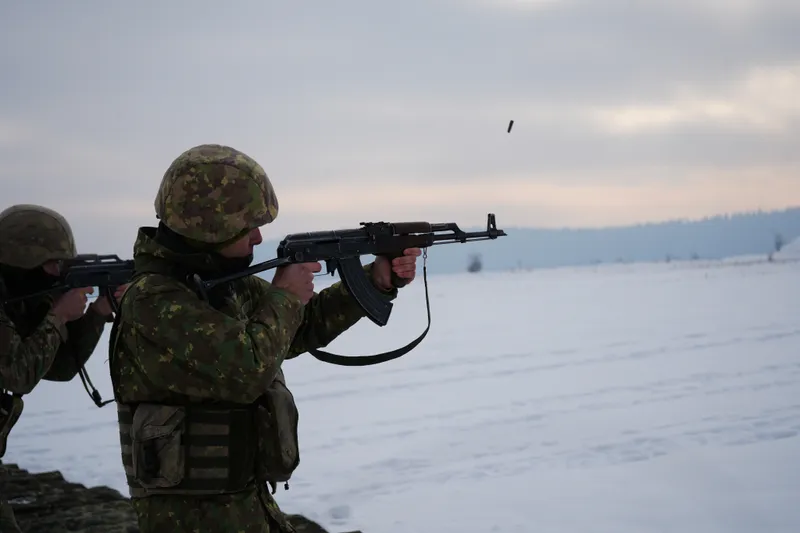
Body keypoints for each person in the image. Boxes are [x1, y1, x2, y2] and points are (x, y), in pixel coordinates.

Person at [108, 143, 421, 533]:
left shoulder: (217, 285)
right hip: (192, 518)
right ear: (210, 226)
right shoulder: (155, 301)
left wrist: (376, 282)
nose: (258, 237)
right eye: (247, 226)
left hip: (244, 501)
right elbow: (248, 369)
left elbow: (296, 329)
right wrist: (285, 296)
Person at [0, 204, 126, 533]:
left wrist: (98, 311)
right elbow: (18, 375)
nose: (57, 272)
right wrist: (58, 316)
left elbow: (59, 367)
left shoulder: (21, 298)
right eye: (52, 264)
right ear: (21, 259)